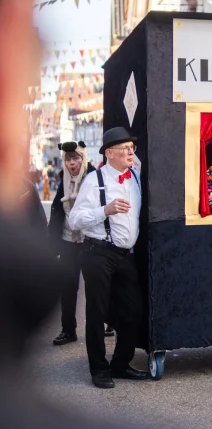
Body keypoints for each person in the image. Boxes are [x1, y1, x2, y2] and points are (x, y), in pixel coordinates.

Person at [69, 127, 146, 389]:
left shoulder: (135, 177)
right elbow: (75, 220)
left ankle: (121, 364)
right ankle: (99, 369)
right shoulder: (95, 180)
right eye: (125, 148)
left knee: (134, 310)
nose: (130, 152)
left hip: (125, 255)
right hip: (98, 252)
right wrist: (105, 210)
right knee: (97, 312)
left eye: (132, 148)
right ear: (109, 153)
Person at [48, 141, 95, 346]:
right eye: (68, 159)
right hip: (68, 241)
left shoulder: (93, 177)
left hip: (89, 240)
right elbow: (57, 211)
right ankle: (68, 330)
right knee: (67, 287)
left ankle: (103, 326)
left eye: (75, 158)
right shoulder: (63, 180)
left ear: (82, 158)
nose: (72, 163)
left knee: (96, 288)